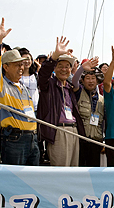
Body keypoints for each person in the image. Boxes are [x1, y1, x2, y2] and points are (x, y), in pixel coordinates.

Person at [0, 16, 40, 166]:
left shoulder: (23, 86)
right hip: (15, 140)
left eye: (22, 65)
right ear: (6, 67)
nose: (21, 68)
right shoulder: (1, 86)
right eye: (17, 65)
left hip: (32, 138)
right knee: (15, 181)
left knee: (32, 180)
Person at [37, 36, 86, 167]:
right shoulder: (49, 85)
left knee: (73, 170)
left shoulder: (70, 88)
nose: (64, 69)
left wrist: (81, 68)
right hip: (58, 131)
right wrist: (54, 56)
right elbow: (43, 75)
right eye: (60, 66)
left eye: (67, 66)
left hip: (74, 131)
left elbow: (76, 81)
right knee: (60, 171)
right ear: (55, 68)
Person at [72, 58, 105, 167]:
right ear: (83, 80)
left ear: (97, 80)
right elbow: (74, 81)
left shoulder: (102, 99)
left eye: (93, 78)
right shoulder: (79, 92)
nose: (90, 81)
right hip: (81, 140)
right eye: (87, 78)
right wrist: (81, 68)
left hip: (96, 141)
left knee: (94, 174)